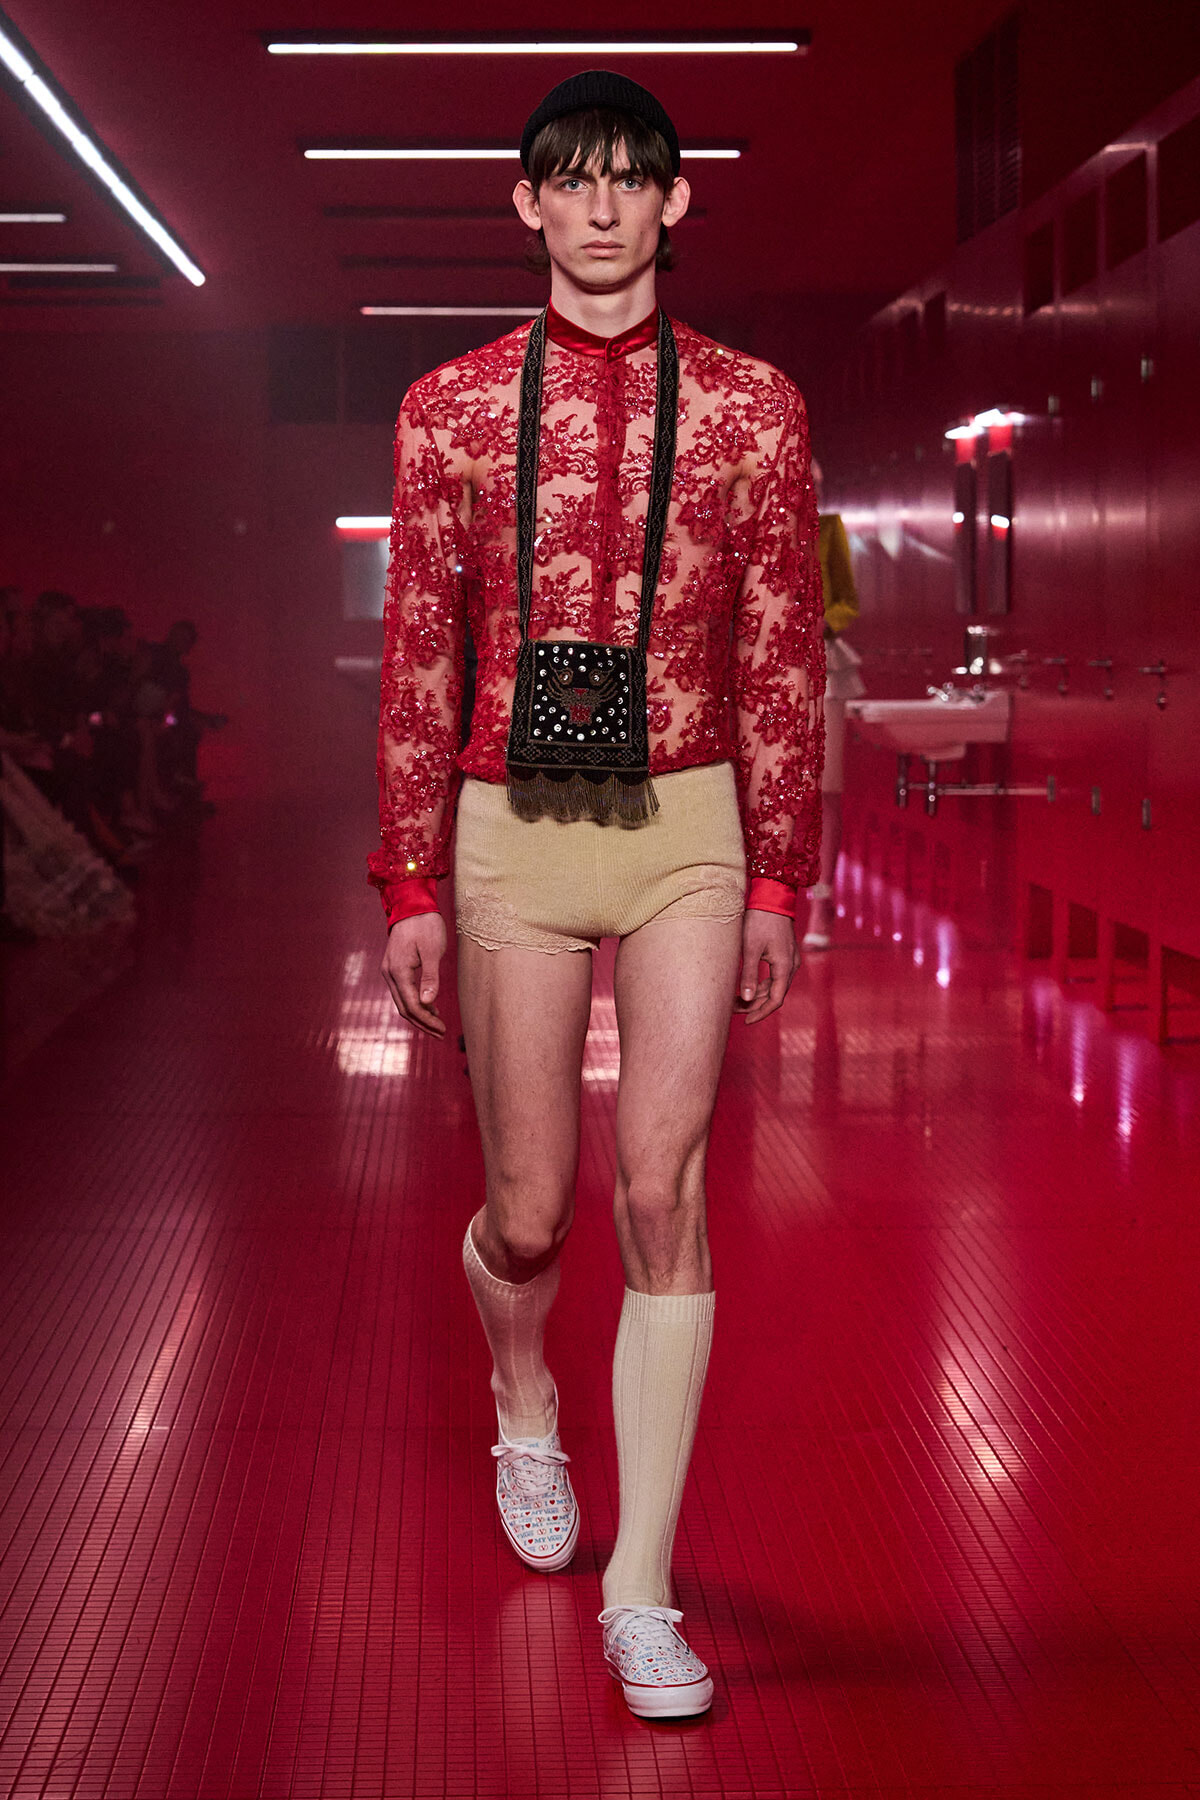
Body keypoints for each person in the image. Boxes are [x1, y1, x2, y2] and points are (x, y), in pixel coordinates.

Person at [369, 70, 824, 1720]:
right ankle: (520, 1390)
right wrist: (410, 871)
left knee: (663, 1184)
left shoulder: (760, 409)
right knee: (536, 1208)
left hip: (688, 809)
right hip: (512, 819)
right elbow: (422, 647)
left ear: (677, 203)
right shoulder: (452, 409)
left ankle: (645, 1595)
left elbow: (781, 647)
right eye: (577, 180)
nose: (609, 205)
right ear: (531, 206)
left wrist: (782, 867)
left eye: (639, 178)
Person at [801, 461, 862, 950]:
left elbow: (847, 600)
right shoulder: (752, 527)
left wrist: (825, 621)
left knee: (826, 788)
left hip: (826, 666)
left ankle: (823, 902)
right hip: (764, 662)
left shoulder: (828, 529)